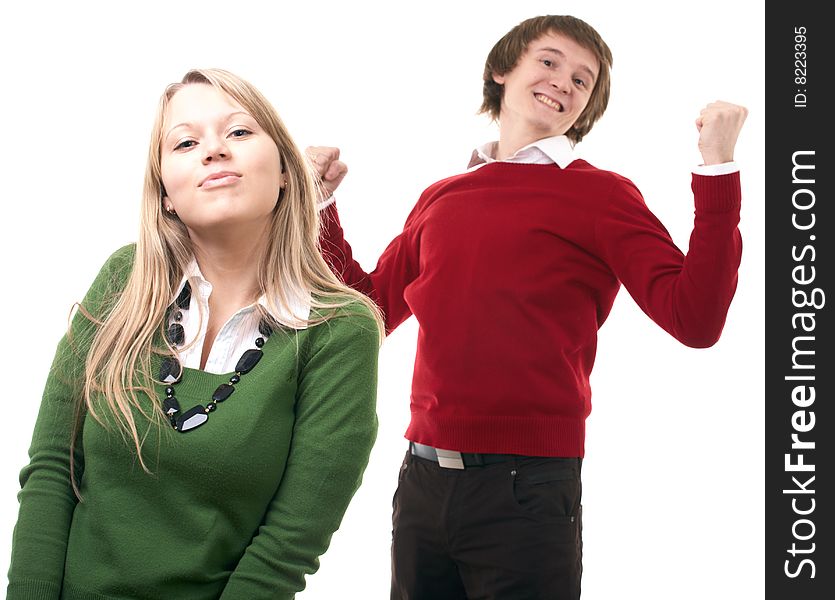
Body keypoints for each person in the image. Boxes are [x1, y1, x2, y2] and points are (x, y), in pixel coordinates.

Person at [309, 14, 748, 600]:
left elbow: (696, 319)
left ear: (586, 108)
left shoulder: (600, 194)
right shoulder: (440, 198)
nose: (564, 81)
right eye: (549, 61)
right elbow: (368, 314)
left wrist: (717, 168)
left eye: (583, 80)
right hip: (420, 480)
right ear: (502, 70)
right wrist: (318, 209)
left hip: (528, 486)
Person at [6, 68, 384, 600]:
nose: (214, 150)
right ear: (165, 192)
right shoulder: (123, 279)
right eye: (186, 142)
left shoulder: (340, 331)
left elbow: (287, 547)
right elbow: (51, 471)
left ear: (284, 171)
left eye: (239, 132)